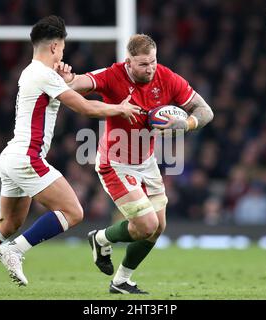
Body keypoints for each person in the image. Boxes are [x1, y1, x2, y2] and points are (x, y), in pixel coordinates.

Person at [0, 15, 140, 294]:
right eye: (63, 47)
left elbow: (63, 91)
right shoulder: (44, 75)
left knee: (9, 223)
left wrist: (65, 79)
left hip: (11, 157)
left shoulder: (31, 72)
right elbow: (85, 107)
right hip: (27, 157)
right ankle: (16, 250)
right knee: (73, 211)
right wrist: (120, 108)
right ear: (56, 47)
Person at [59, 34, 214, 294]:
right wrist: (67, 79)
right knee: (147, 225)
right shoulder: (113, 75)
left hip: (147, 162)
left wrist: (187, 124)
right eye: (143, 64)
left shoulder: (166, 77)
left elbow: (205, 110)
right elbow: (80, 82)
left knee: (157, 228)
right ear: (128, 62)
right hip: (115, 163)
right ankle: (100, 239)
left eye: (153, 61)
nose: (150, 68)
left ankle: (121, 281)